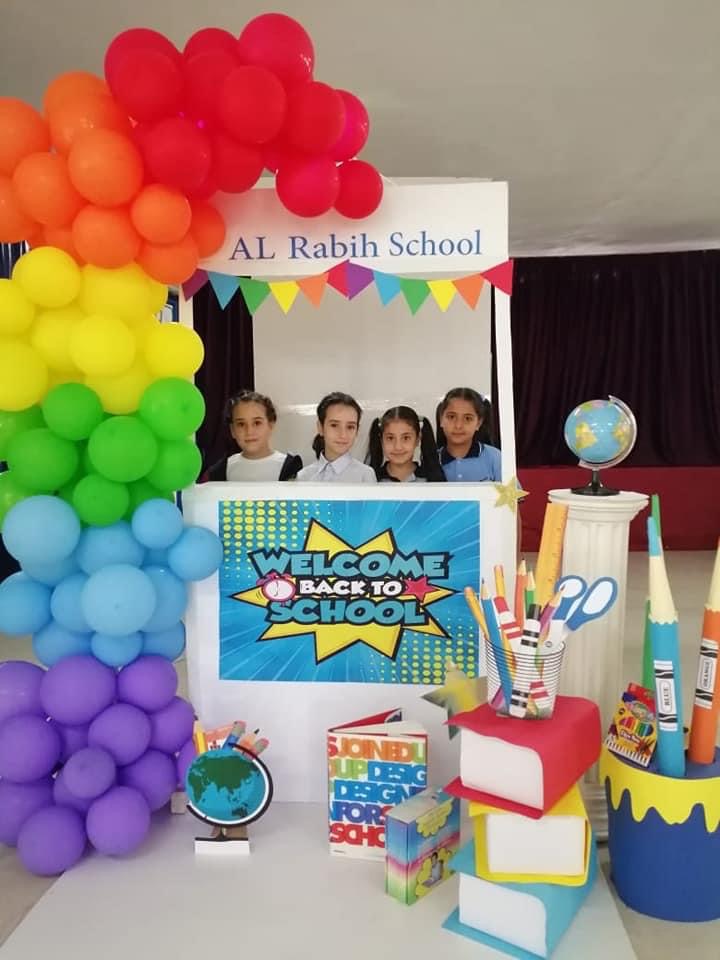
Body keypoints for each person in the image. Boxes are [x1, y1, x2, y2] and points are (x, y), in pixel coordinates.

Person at [201, 390, 302, 482]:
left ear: (271, 424)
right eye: (241, 424)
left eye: (257, 423)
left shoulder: (290, 468)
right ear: (232, 430)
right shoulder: (220, 470)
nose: (249, 431)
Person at [296, 392, 376, 483]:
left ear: (357, 430)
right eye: (334, 425)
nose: (343, 435)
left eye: (350, 427)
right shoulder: (304, 476)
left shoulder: (365, 475)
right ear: (320, 428)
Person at [436, 387, 501, 482]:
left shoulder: (495, 458)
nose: (458, 425)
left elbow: (513, 491)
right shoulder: (432, 460)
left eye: (467, 418)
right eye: (451, 417)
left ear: (478, 423)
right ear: (441, 419)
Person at [366, 406, 446, 482]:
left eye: (406, 438)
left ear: (418, 439)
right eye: (390, 438)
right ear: (381, 440)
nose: (398, 447)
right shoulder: (370, 479)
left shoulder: (433, 480)